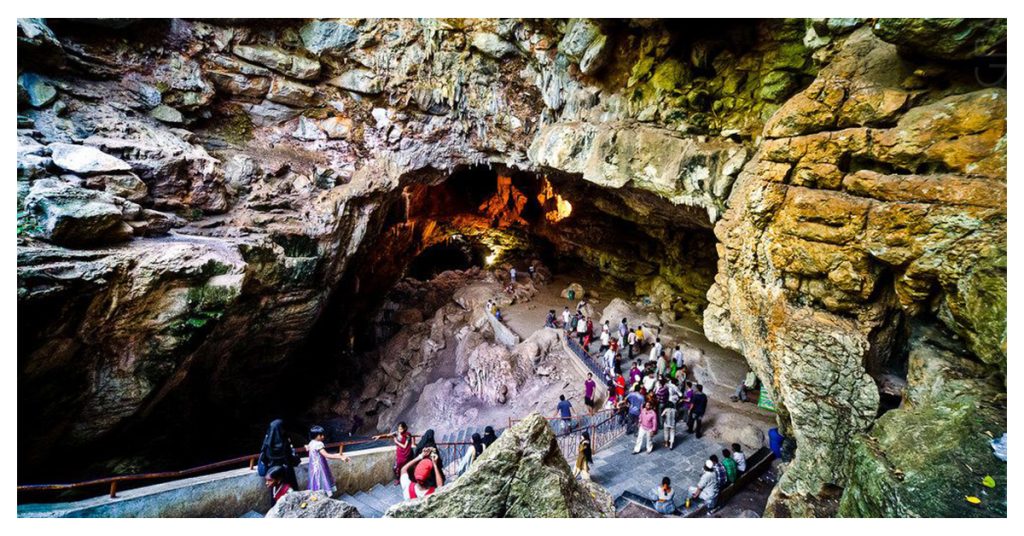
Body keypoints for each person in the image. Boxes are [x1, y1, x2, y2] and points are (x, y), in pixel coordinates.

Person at [257, 419, 300, 491]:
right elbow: (290, 457)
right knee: (289, 491)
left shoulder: (267, 443)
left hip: (273, 473)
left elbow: (264, 458)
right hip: (287, 472)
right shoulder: (285, 442)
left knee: (276, 491)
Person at [307, 425, 350, 493]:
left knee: (316, 480)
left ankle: (316, 494)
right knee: (323, 479)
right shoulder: (318, 444)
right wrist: (340, 457)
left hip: (313, 467)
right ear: (315, 435)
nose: (323, 437)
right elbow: (327, 455)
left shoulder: (311, 443)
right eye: (320, 435)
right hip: (320, 466)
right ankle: (324, 494)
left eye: (322, 435)